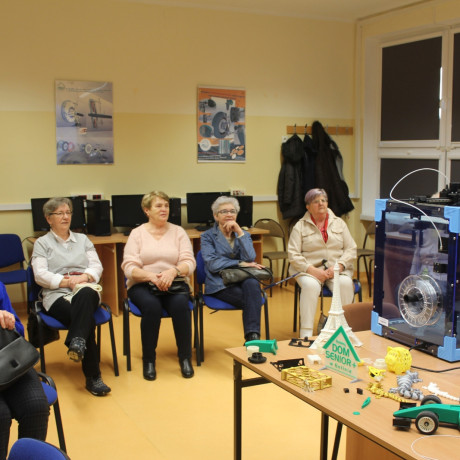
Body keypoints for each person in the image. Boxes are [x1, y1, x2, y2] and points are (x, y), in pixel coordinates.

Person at [31, 197, 111, 396]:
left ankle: (77, 341)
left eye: (68, 213)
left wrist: (83, 278)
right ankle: (93, 377)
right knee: (86, 319)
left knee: (86, 294)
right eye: (60, 213)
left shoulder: (83, 240)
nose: (65, 217)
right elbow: (40, 275)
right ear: (49, 218)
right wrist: (66, 282)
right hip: (57, 294)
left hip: (85, 289)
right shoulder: (42, 243)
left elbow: (97, 266)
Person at [122, 191, 196, 381]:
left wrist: (173, 272)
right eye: (158, 206)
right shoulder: (137, 234)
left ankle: (185, 358)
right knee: (152, 306)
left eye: (166, 205)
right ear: (147, 210)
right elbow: (129, 267)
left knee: (180, 305)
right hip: (143, 284)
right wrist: (151, 277)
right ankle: (149, 360)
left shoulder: (178, 232)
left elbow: (189, 262)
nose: (164, 209)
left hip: (174, 283)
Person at [288, 188, 357, 339]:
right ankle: (306, 333)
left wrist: (339, 266)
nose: (321, 204)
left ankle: (343, 329)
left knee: (345, 283)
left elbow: (351, 249)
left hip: (336, 269)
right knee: (311, 286)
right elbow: (293, 254)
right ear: (308, 207)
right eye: (316, 201)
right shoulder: (300, 226)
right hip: (308, 270)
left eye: (323, 200)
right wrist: (312, 270)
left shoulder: (339, 223)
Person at [200, 196, 265, 343]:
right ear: (216, 216)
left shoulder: (244, 234)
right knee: (253, 300)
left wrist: (240, 233)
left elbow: (250, 258)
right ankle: (253, 338)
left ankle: (252, 338)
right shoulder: (207, 237)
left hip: (242, 280)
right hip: (219, 284)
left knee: (252, 283)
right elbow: (213, 264)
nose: (229, 214)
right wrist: (240, 263)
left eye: (232, 211)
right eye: (224, 211)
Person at [0, 282, 49, 460]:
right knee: (1, 416)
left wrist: (10, 322)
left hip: (7, 359)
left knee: (36, 406)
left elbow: (19, 332)